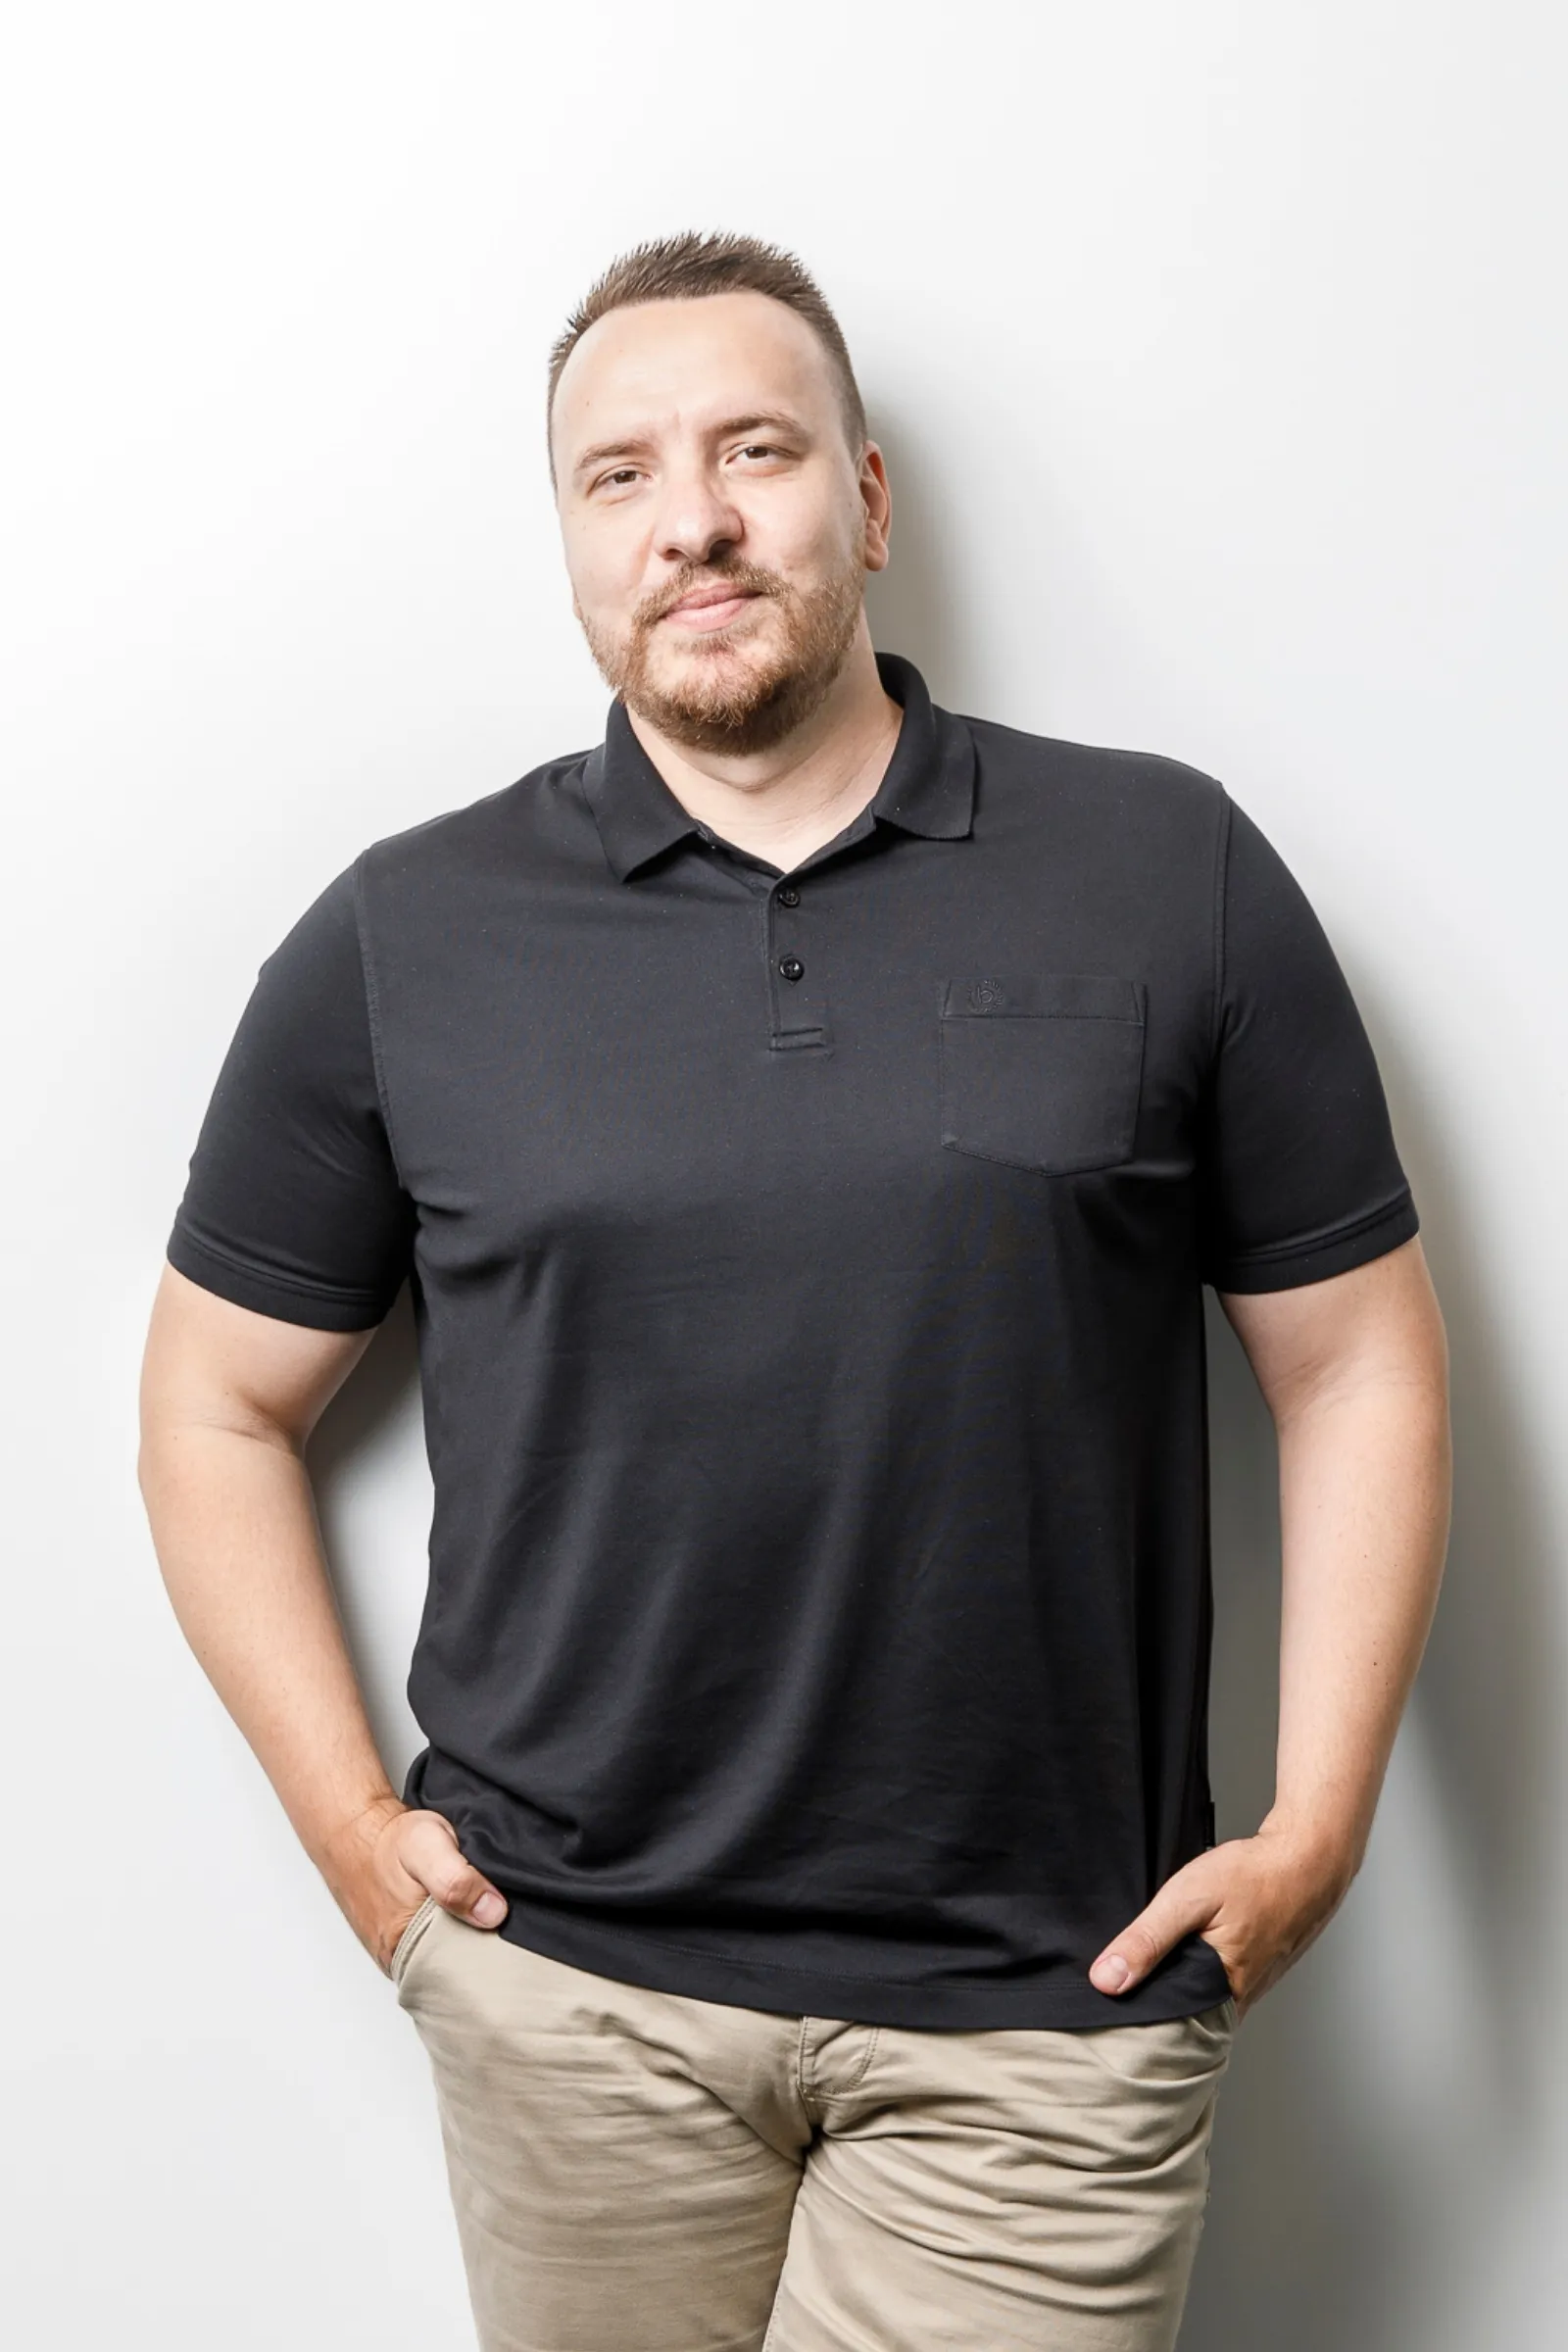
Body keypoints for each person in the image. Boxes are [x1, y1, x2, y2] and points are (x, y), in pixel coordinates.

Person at [137, 230, 1451, 2352]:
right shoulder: (406, 937)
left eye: (754, 449)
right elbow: (212, 1405)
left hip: (1048, 2019)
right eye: (621, 474)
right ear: (572, 540)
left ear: (866, 496)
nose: (695, 520)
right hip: (570, 2002)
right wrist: (358, 1845)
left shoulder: (1163, 869)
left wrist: (1320, 1830)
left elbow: (1358, 1362)